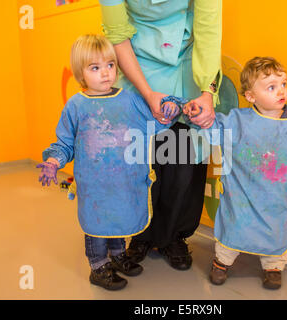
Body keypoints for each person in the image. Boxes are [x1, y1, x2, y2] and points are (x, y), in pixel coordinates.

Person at [36, 34, 180, 291]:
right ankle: (98, 266)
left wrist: (170, 110)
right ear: (81, 73)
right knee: (97, 224)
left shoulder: (130, 99)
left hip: (125, 180)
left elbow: (153, 123)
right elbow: (65, 143)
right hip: (95, 186)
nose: (105, 73)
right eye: (95, 67)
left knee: (120, 217)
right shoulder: (76, 106)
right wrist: (53, 161)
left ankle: (118, 254)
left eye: (110, 65)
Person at [98, 0, 223, 271]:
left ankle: (174, 236)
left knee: (183, 158)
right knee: (140, 159)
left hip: (189, 62)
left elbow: (208, 32)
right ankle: (140, 233)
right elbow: (118, 35)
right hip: (138, 62)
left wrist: (207, 92)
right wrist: (147, 92)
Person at [185, 57, 287, 289]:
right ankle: (222, 261)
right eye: (271, 87)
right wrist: (201, 116)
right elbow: (215, 129)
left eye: (283, 84)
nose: (281, 91)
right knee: (234, 227)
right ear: (251, 96)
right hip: (242, 195)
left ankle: (273, 266)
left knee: (278, 231)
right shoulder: (238, 120)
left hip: (276, 198)